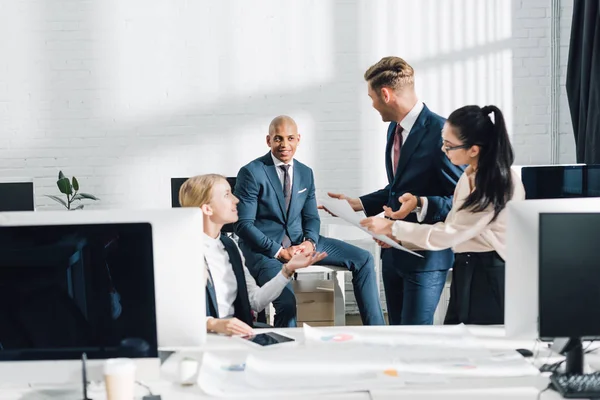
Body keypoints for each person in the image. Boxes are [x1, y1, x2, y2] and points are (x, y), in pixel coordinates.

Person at [323, 56, 464, 325]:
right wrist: (358, 203)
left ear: (385, 94)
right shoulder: (394, 130)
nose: (373, 105)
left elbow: (461, 199)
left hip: (425, 257)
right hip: (392, 254)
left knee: (414, 338)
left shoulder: (441, 133)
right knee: (396, 336)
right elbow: (399, 187)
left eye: (372, 98)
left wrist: (422, 203)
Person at [360, 105, 525, 325]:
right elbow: (455, 223)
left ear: (473, 149)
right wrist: (400, 234)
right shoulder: (470, 174)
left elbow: (451, 232)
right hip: (468, 267)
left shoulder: (495, 183)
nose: (443, 151)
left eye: (448, 146)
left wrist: (392, 228)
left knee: (483, 345)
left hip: (489, 272)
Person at [234, 115, 385, 328]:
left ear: (298, 139)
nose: (285, 145)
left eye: (290, 138)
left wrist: (310, 242)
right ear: (268, 140)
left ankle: (376, 332)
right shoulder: (252, 172)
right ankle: (286, 353)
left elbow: (311, 217)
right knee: (286, 303)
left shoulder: (306, 173)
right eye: (278, 139)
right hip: (266, 250)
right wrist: (279, 252)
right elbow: (243, 225)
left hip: (300, 243)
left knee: (364, 259)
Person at [178, 174, 327, 336]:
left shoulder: (230, 247)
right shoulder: (184, 251)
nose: (236, 200)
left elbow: (255, 301)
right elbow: (172, 315)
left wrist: (288, 270)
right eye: (227, 195)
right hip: (206, 340)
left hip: (237, 337)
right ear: (207, 208)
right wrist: (213, 324)